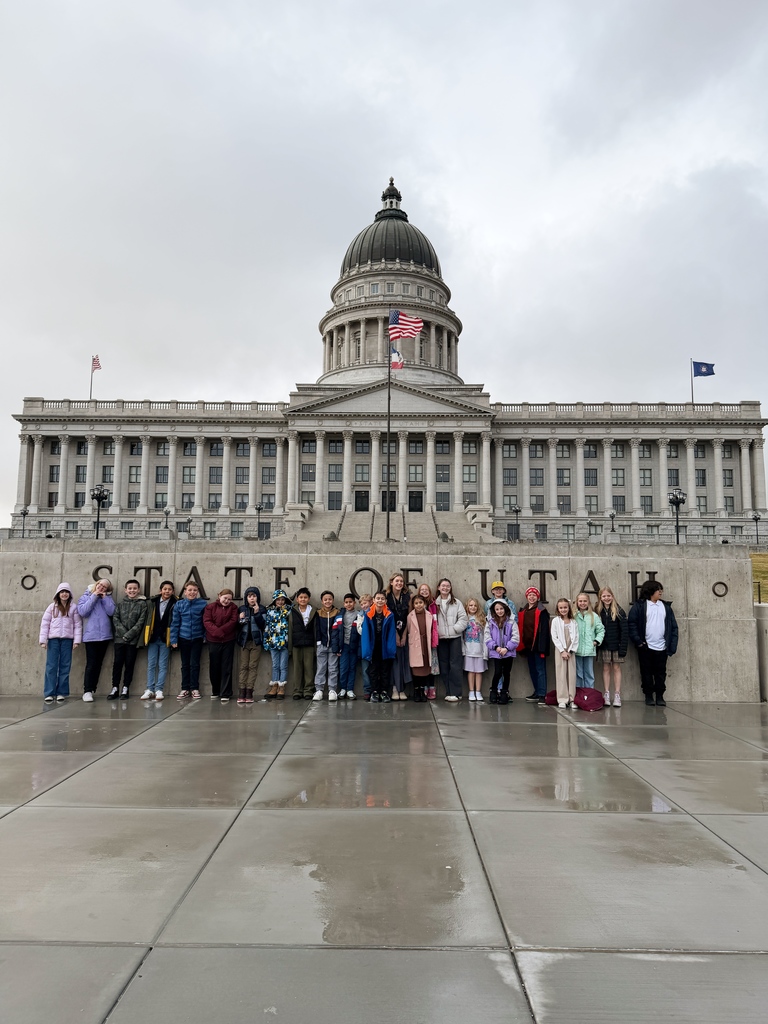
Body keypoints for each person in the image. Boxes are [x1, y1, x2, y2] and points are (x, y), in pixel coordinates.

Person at [628, 581, 679, 706]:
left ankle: (660, 696)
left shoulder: (666, 607)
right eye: (658, 590)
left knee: (661, 673)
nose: (660, 592)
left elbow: (673, 627)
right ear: (650, 591)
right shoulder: (639, 606)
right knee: (646, 672)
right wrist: (639, 642)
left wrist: (672, 645)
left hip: (662, 647)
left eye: (661, 590)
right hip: (646, 646)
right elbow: (632, 623)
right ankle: (649, 696)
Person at [39, 583, 82, 702]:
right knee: (51, 666)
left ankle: (61, 692)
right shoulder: (52, 607)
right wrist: (43, 640)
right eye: (62, 592)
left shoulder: (73, 608)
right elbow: (45, 624)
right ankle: (49, 692)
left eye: (66, 592)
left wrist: (76, 641)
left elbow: (77, 625)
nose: (64, 594)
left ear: (70, 594)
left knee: (65, 666)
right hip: (53, 640)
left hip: (67, 641)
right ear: (58, 594)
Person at [77, 578, 115, 702]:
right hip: (91, 636)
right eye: (100, 584)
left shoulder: (107, 598)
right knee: (91, 664)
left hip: (104, 636)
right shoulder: (86, 596)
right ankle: (87, 690)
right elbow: (83, 611)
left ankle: (93, 689)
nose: (101, 587)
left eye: (105, 587)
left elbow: (112, 611)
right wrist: (94, 596)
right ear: (96, 584)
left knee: (98, 664)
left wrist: (104, 598)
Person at [109, 580, 148, 700]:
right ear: (125, 590)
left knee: (129, 664)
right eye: (130, 588)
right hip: (119, 640)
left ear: (138, 590)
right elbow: (115, 619)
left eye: (134, 588)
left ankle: (126, 687)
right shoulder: (120, 604)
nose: (132, 590)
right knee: (117, 664)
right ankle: (115, 687)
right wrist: (123, 634)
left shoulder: (142, 605)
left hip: (132, 641)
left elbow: (141, 622)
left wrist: (129, 635)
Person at [170, 581, 208, 699]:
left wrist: (205, 636)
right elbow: (175, 623)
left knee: (195, 664)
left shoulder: (203, 604)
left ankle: (195, 688)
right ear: (185, 592)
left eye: (195, 590)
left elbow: (206, 622)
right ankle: (185, 688)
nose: (192, 592)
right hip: (183, 637)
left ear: (197, 592)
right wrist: (173, 639)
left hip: (197, 638)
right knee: (185, 664)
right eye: (190, 590)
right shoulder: (179, 605)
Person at [141, 580, 176, 701]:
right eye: (165, 589)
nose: (167, 591)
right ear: (161, 590)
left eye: (169, 589)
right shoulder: (152, 602)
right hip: (152, 637)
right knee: (151, 664)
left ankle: (159, 689)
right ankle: (149, 689)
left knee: (163, 665)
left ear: (173, 591)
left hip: (166, 638)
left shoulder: (175, 603)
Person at [203, 589, 240, 703]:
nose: (227, 601)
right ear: (219, 596)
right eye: (225, 598)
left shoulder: (233, 608)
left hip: (228, 641)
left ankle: (225, 692)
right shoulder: (210, 607)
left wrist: (221, 631)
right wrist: (217, 632)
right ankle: (216, 691)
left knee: (226, 667)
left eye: (229, 599)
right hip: (213, 641)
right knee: (214, 667)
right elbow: (207, 621)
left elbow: (233, 621)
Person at [435, 578, 468, 701]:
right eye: (443, 586)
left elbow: (463, 619)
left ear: (450, 588)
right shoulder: (435, 603)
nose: (445, 588)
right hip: (441, 638)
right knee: (443, 666)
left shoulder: (456, 602)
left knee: (455, 665)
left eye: (448, 586)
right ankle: (448, 692)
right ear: (438, 587)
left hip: (454, 637)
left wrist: (455, 629)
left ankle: (456, 692)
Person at [517, 586, 551, 706]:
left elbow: (545, 631)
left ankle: (542, 694)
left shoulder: (542, 611)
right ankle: (536, 692)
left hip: (538, 646)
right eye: (530, 595)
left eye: (534, 595)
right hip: (527, 646)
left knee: (540, 670)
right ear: (527, 597)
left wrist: (543, 648)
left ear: (538, 597)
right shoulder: (523, 611)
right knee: (532, 670)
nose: (532, 597)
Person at [360, 591, 396, 702]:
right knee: (373, 670)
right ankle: (374, 691)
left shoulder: (389, 614)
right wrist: (366, 649)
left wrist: (391, 649)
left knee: (385, 670)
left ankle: (384, 692)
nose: (380, 600)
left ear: (385, 601)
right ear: (374, 600)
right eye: (378, 598)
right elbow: (365, 633)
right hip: (373, 646)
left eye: (382, 599)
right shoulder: (368, 614)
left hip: (384, 646)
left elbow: (391, 633)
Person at [596, 587, 628, 707]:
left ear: (612, 596)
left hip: (617, 645)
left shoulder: (619, 611)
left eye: (608, 595)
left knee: (616, 668)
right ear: (600, 598)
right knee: (605, 668)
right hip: (604, 645)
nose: (606, 598)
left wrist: (623, 647)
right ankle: (607, 693)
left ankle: (617, 694)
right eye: (604, 596)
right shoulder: (598, 611)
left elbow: (624, 630)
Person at [484, 600, 519, 705]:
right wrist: (496, 647)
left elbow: (515, 638)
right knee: (498, 672)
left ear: (505, 609)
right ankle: (493, 690)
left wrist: (507, 648)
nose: (499, 611)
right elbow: (487, 637)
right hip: (496, 652)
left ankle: (504, 692)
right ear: (494, 611)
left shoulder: (511, 622)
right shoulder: (490, 622)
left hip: (508, 652)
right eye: (497, 609)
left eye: (501, 609)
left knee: (507, 672)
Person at [236, 586, 266, 704]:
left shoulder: (262, 609)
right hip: (244, 642)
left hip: (256, 642)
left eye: (254, 596)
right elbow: (238, 626)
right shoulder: (242, 608)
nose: (252, 598)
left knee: (253, 667)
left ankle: (249, 692)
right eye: (250, 596)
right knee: (244, 666)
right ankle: (241, 692)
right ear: (246, 598)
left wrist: (257, 613)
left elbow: (263, 625)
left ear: (257, 597)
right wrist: (239, 619)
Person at [386, 573, 412, 700]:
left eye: (401, 581)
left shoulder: (407, 597)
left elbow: (409, 616)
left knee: (403, 661)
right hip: (391, 633)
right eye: (397, 581)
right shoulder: (386, 597)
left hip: (405, 632)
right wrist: (395, 634)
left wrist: (405, 635)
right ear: (391, 582)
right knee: (394, 661)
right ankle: (395, 689)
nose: (399, 583)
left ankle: (402, 689)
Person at [313, 591, 343, 701]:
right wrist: (318, 642)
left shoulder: (338, 612)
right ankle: (319, 690)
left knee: (333, 668)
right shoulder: (318, 613)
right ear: (322, 601)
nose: (327, 601)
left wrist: (338, 645)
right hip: (322, 645)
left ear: (333, 600)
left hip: (333, 646)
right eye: (325, 599)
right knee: (320, 668)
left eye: (330, 599)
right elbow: (316, 628)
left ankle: (332, 690)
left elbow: (339, 630)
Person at [550, 597, 579, 708]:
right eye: (561, 608)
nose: (563, 610)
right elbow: (554, 636)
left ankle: (572, 699)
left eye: (565, 607)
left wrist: (570, 651)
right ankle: (562, 699)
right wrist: (562, 651)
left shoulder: (573, 622)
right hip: (560, 649)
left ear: (569, 608)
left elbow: (576, 637)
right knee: (561, 673)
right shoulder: (555, 621)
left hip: (571, 649)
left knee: (571, 674)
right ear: (558, 609)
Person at [262, 588, 289, 702]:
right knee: (275, 665)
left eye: (282, 599)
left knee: (283, 666)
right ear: (274, 601)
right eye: (278, 600)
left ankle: (281, 687)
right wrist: (266, 642)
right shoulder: (270, 612)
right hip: (273, 643)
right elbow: (267, 628)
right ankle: (274, 686)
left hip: (285, 644)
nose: (280, 602)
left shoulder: (288, 611)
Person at [407, 593, 435, 702]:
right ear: (413, 605)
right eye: (416, 603)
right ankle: (416, 690)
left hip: (425, 644)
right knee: (416, 669)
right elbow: (409, 630)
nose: (418, 605)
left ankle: (423, 690)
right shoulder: (410, 616)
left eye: (420, 603)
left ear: (424, 603)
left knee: (425, 669)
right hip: (415, 644)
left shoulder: (429, 615)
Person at [573, 593, 605, 690]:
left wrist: (596, 641)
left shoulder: (594, 616)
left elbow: (601, 630)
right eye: (580, 601)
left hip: (589, 649)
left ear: (588, 602)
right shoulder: (573, 615)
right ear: (577, 602)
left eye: (585, 601)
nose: (582, 603)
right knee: (578, 673)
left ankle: (589, 693)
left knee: (589, 673)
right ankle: (579, 693)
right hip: (577, 649)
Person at [289, 588, 317, 700]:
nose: (303, 599)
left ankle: (308, 690)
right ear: (297, 599)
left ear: (309, 599)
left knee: (309, 668)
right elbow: (290, 629)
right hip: (296, 643)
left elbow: (315, 629)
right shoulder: (293, 611)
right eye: (301, 597)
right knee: (297, 668)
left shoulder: (314, 611)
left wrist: (316, 646)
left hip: (309, 643)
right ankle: (297, 690)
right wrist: (290, 647)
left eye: (305, 597)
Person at [462, 598, 488, 702]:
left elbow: (486, 636)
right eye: (470, 605)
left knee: (479, 672)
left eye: (475, 605)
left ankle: (478, 691)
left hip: (479, 650)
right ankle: (471, 691)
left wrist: (485, 650)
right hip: (468, 650)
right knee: (471, 671)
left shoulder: (482, 619)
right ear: (467, 607)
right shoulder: (464, 618)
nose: (473, 607)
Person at [417, 583, 439, 700]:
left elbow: (435, 623)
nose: (424, 591)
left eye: (426, 589)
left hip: (432, 638)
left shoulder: (433, 605)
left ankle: (431, 687)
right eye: (422, 590)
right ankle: (424, 686)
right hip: (420, 640)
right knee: (423, 665)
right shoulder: (416, 604)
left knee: (431, 665)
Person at [338, 593, 360, 700]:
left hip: (354, 645)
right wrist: (337, 647)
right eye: (346, 602)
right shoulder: (340, 614)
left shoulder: (359, 614)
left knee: (352, 668)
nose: (348, 604)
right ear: (344, 603)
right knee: (343, 668)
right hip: (343, 646)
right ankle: (343, 689)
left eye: (350, 602)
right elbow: (336, 632)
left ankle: (350, 689)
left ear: (354, 603)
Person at [356, 593, 373, 700]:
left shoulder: (376, 613)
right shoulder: (360, 615)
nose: (364, 606)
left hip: (375, 646)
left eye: (365, 603)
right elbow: (360, 630)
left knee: (376, 669)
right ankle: (367, 690)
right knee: (365, 670)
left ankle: (376, 689)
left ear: (371, 602)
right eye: (361, 604)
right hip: (364, 647)